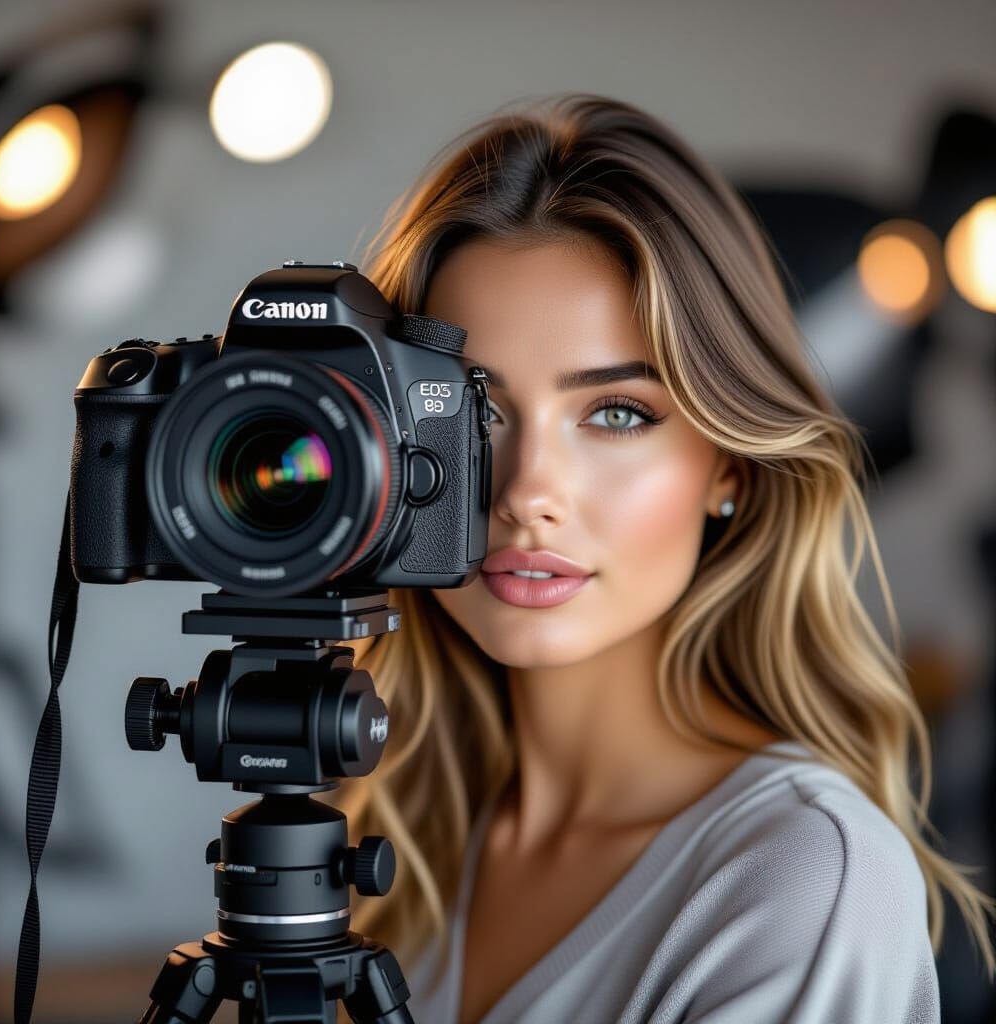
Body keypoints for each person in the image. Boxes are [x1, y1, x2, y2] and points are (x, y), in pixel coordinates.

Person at [325, 94, 994, 1023]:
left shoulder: (801, 880)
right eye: (473, 411)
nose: (526, 490)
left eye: (616, 414)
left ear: (728, 465)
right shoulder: (387, 833)